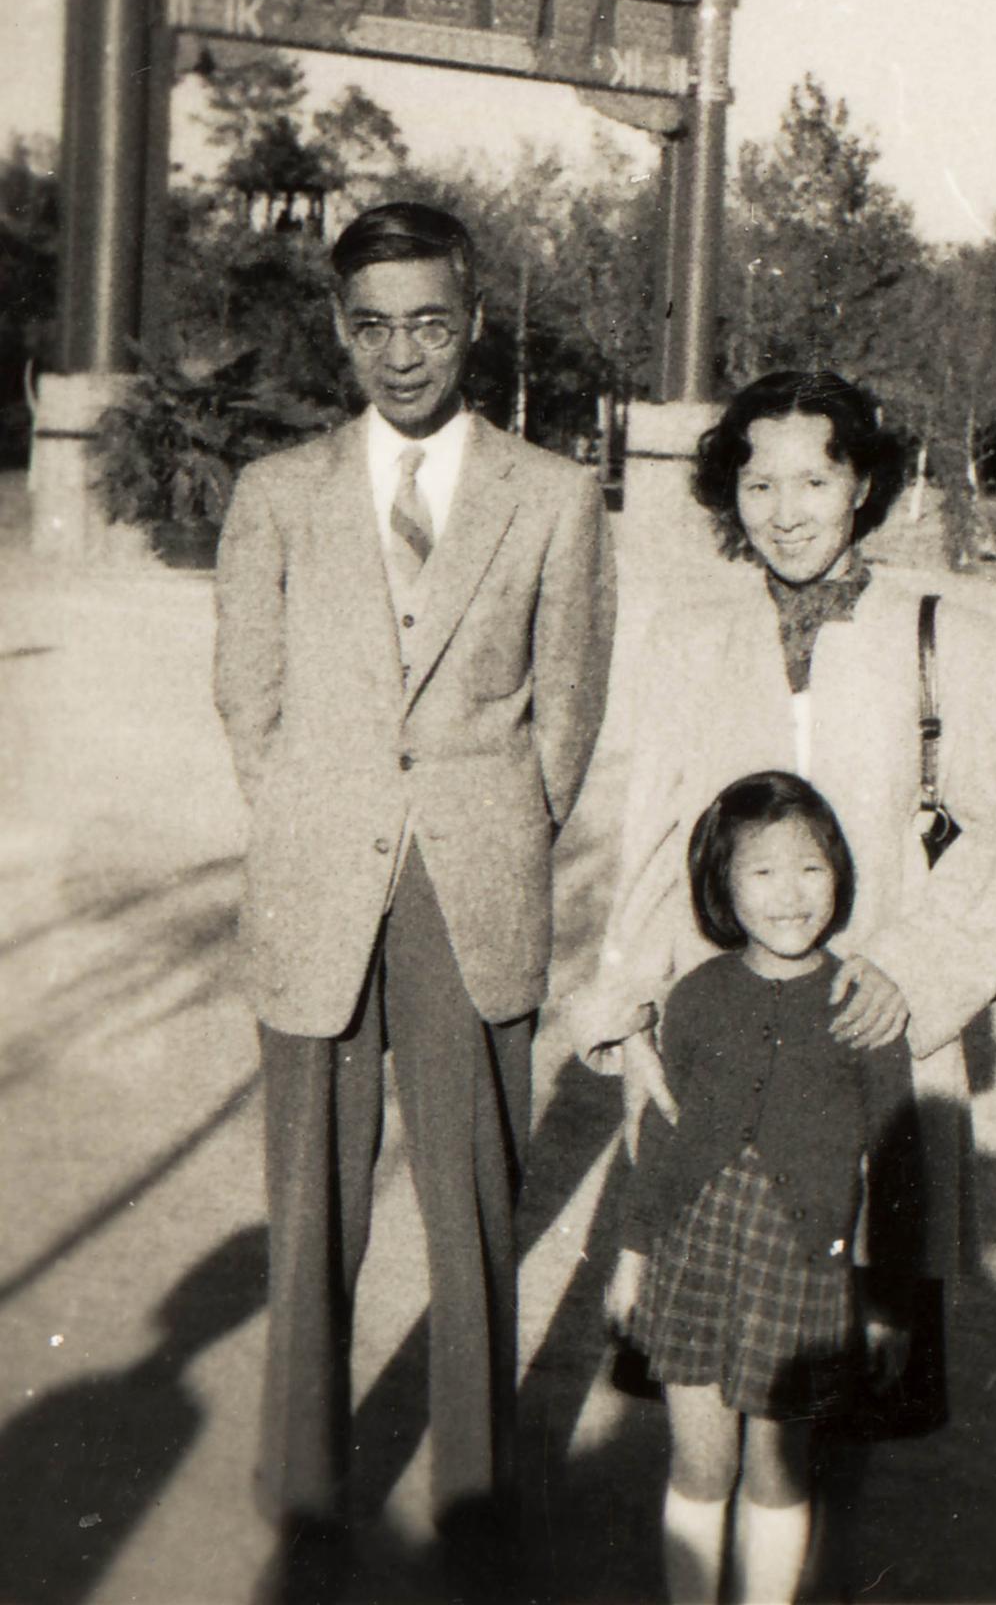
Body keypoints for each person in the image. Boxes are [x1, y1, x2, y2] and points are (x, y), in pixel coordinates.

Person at [213, 202, 615, 1588]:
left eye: (430, 324)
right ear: (340, 330)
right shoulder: (278, 491)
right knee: (312, 1199)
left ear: (474, 323)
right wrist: (312, 812)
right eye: (374, 326)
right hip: (317, 873)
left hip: (473, 876)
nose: (402, 355)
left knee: (473, 1199)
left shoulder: (552, 494)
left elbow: (568, 709)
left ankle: (475, 1490)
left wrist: (499, 824)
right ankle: (305, 1482)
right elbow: (249, 696)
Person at [572, 366, 996, 1434]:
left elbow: (995, 845)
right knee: (711, 1410)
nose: (786, 512)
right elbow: (655, 842)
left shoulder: (950, 641)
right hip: (720, 1053)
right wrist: (629, 1016)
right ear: (729, 494)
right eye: (759, 484)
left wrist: (907, 974)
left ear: (862, 484)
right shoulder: (688, 639)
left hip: (873, 1043)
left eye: (814, 481)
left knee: (843, 1392)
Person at [605, 772, 923, 1605]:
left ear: (841, 876)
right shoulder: (698, 997)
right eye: (764, 871)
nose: (791, 894)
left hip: (802, 1273)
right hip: (693, 1259)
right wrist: (632, 1258)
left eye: (812, 868)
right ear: (723, 885)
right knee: (701, 1463)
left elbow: (897, 1170)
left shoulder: (863, 1007)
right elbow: (661, 1137)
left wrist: (888, 1302)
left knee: (779, 1473)